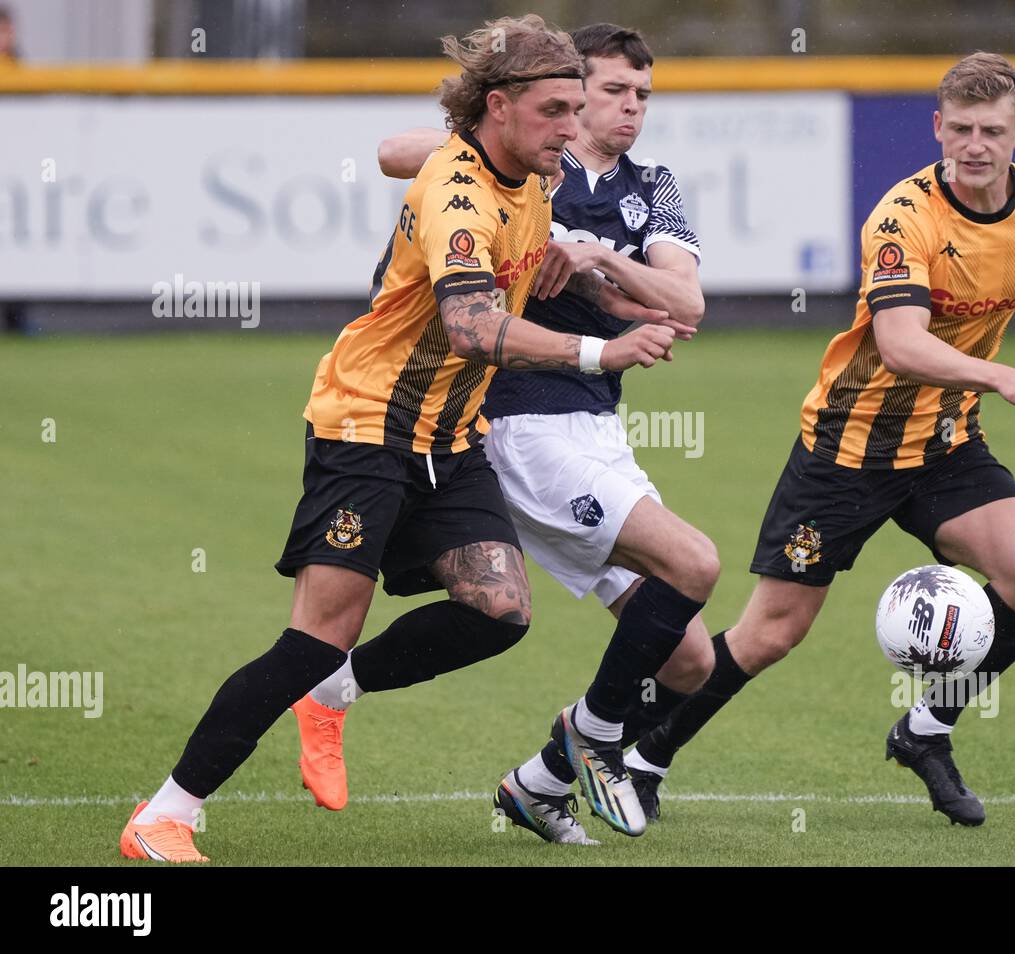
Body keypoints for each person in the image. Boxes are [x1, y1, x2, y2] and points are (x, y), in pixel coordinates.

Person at [119, 14, 676, 863]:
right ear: (500, 106)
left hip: (451, 437)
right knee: (313, 638)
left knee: (499, 611)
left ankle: (332, 693)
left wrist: (607, 290)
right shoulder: (457, 194)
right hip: (367, 427)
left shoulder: (533, 172)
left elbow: (427, 178)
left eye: (579, 108)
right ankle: (166, 814)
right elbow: (471, 325)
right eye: (558, 110)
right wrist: (601, 348)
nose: (576, 128)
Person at [626, 51, 1015, 827]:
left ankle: (925, 732)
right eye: (961, 129)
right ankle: (642, 760)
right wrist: (1004, 378)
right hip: (849, 447)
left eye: (992, 131)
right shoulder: (904, 219)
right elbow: (901, 344)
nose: (975, 145)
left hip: (944, 443)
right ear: (938, 128)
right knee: (773, 633)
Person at [296, 23, 716, 844]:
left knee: (687, 659)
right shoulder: (527, 166)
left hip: (598, 429)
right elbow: (395, 151)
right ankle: (594, 741)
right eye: (611, 91)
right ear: (565, 92)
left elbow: (687, 301)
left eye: (642, 95)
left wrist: (595, 254)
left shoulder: (650, 184)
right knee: (693, 561)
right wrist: (518, 184)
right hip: (522, 423)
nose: (628, 108)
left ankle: (537, 783)